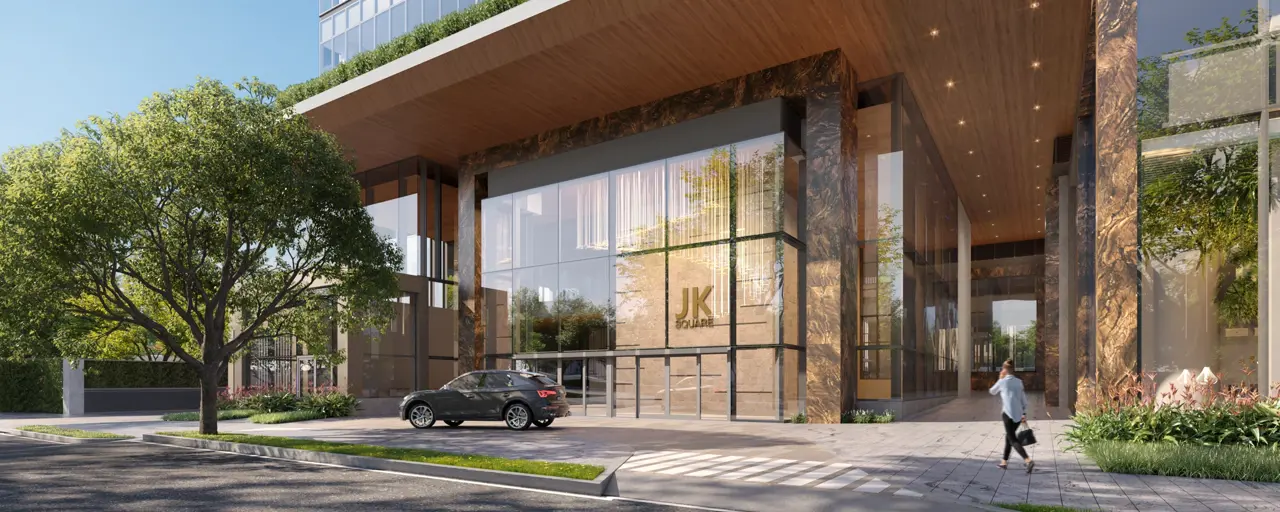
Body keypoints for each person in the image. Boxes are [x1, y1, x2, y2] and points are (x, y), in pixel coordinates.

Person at [988, 359, 1034, 473]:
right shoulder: (1019, 382)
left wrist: (999, 378)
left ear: (1005, 369)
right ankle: (1004, 462)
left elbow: (992, 391)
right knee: (1009, 437)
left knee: (1012, 439)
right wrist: (1024, 413)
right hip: (1018, 415)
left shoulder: (1002, 382)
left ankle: (1028, 460)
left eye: (1002, 369)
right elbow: (1024, 400)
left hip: (1007, 415)